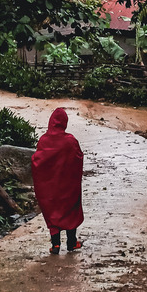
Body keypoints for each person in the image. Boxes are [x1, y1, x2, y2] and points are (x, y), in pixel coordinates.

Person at [31, 107, 84, 255]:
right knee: (70, 210)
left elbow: (37, 160)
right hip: (67, 185)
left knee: (52, 210)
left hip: (50, 187)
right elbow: (78, 157)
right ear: (64, 122)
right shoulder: (70, 141)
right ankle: (72, 243)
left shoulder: (43, 140)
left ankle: (55, 245)